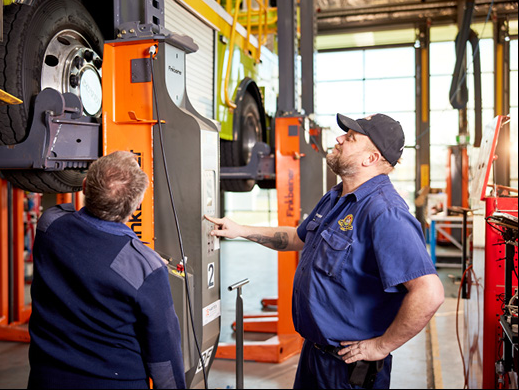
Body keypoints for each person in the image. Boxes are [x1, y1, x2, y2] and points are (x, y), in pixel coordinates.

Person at [205, 113, 444, 389]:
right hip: (314, 356)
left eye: (351, 137)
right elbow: (297, 238)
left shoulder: (385, 212)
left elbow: (430, 292)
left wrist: (381, 346)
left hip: (347, 370)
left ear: (370, 158)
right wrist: (240, 230)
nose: (339, 139)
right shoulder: (337, 197)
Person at [28, 151, 186, 389]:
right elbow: (164, 349)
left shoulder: (49, 225)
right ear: (136, 206)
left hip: (47, 377)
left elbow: (71, 214)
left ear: (83, 186)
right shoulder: (146, 268)